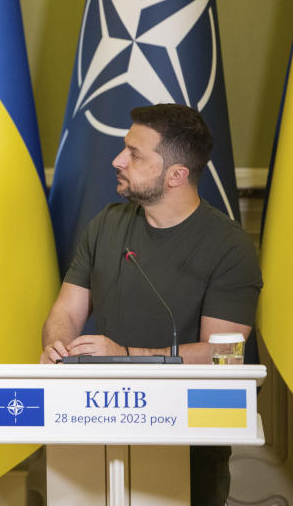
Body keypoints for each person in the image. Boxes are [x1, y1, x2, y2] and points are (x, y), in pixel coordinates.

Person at [39, 103, 261, 505]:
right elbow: (67, 312)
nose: (118, 160)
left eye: (135, 154)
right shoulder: (106, 223)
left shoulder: (230, 246)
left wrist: (125, 356)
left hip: (191, 437)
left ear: (176, 175)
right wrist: (56, 342)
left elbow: (224, 353)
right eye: (125, 148)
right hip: (98, 428)